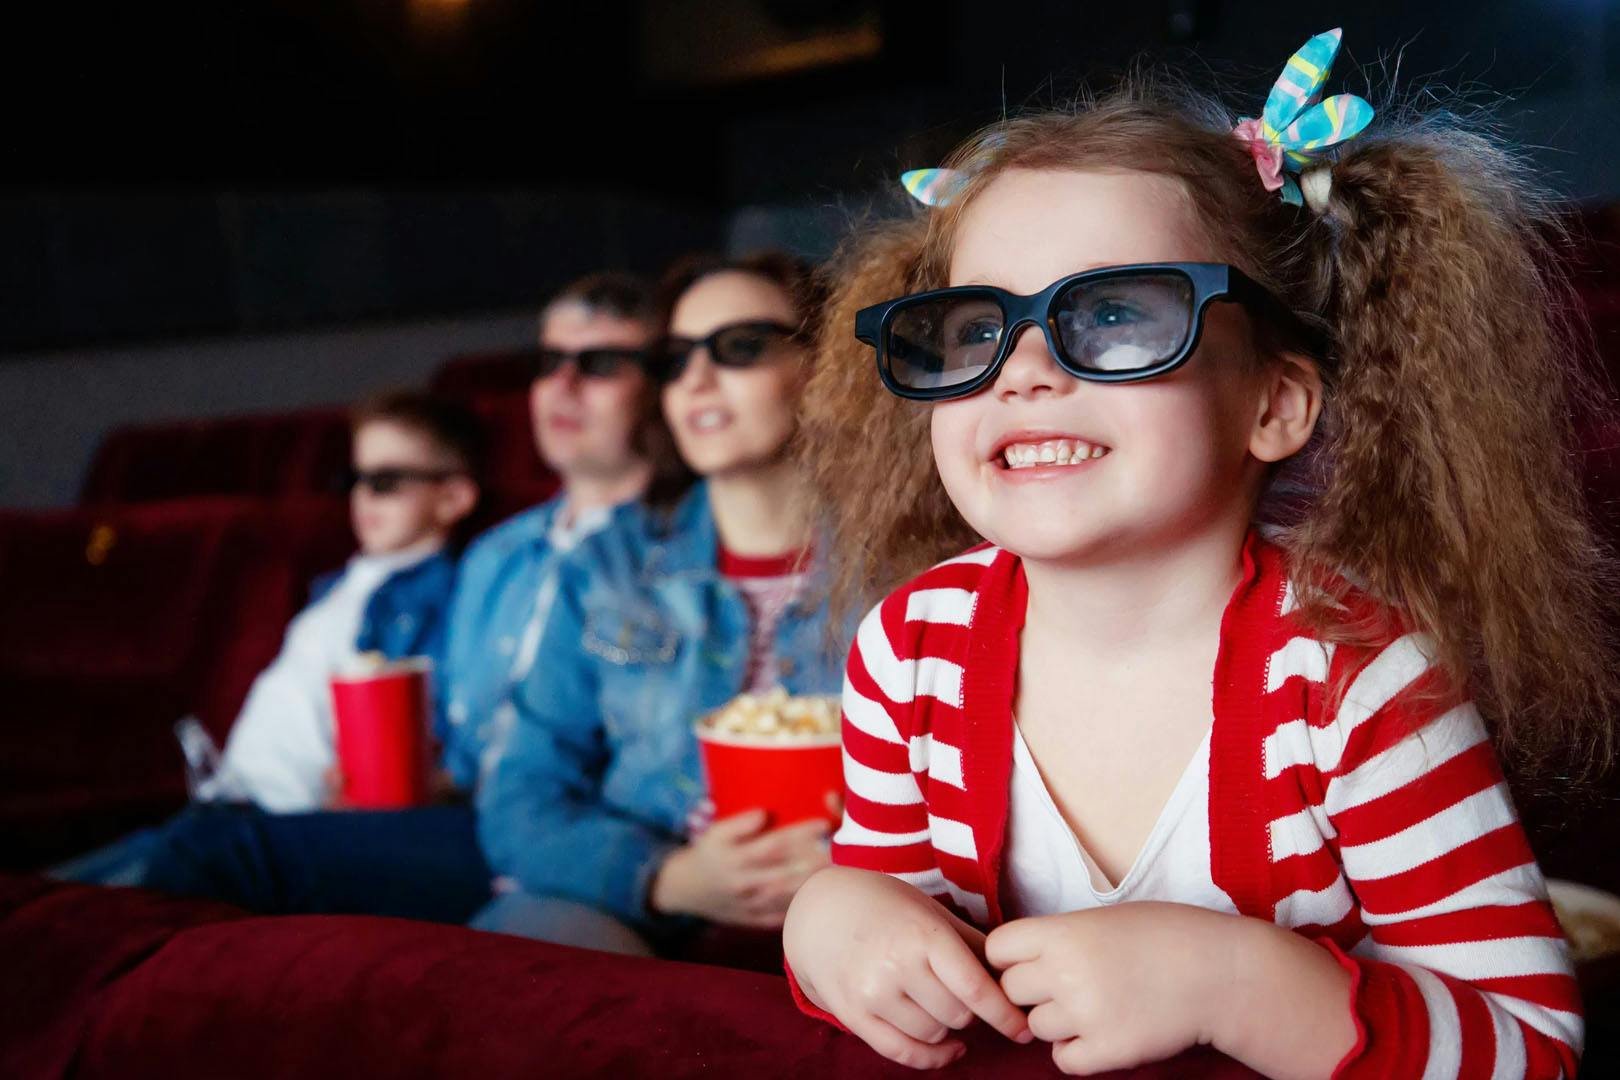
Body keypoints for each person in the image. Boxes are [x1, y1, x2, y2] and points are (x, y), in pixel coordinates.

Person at [782, 30, 1615, 1079]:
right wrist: (831, 921)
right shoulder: (911, 650)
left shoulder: (1356, 679)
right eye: (976, 328)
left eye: (1116, 313)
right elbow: (890, 926)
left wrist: (1236, 983)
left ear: (1273, 404)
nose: (1022, 370)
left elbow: (1532, 1049)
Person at [119, 273, 677, 923]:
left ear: (659, 386)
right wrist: (397, 785)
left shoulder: (676, 553)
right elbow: (458, 744)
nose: (563, 385)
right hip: (463, 815)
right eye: (549, 362)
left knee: (214, 851)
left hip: (559, 834)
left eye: (600, 364)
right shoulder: (496, 554)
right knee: (157, 853)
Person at [473, 253, 847, 956]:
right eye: (676, 359)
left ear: (825, 367)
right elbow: (520, 797)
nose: (697, 379)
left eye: (740, 347)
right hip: (648, 920)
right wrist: (668, 878)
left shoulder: (909, 561)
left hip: (860, 919)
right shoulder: (607, 566)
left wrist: (872, 863)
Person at [57, 390, 481, 882]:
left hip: (286, 816)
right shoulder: (338, 586)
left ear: (453, 497)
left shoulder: (444, 598)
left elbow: (422, 725)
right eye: (354, 480)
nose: (363, 497)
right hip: (229, 802)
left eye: (386, 482)